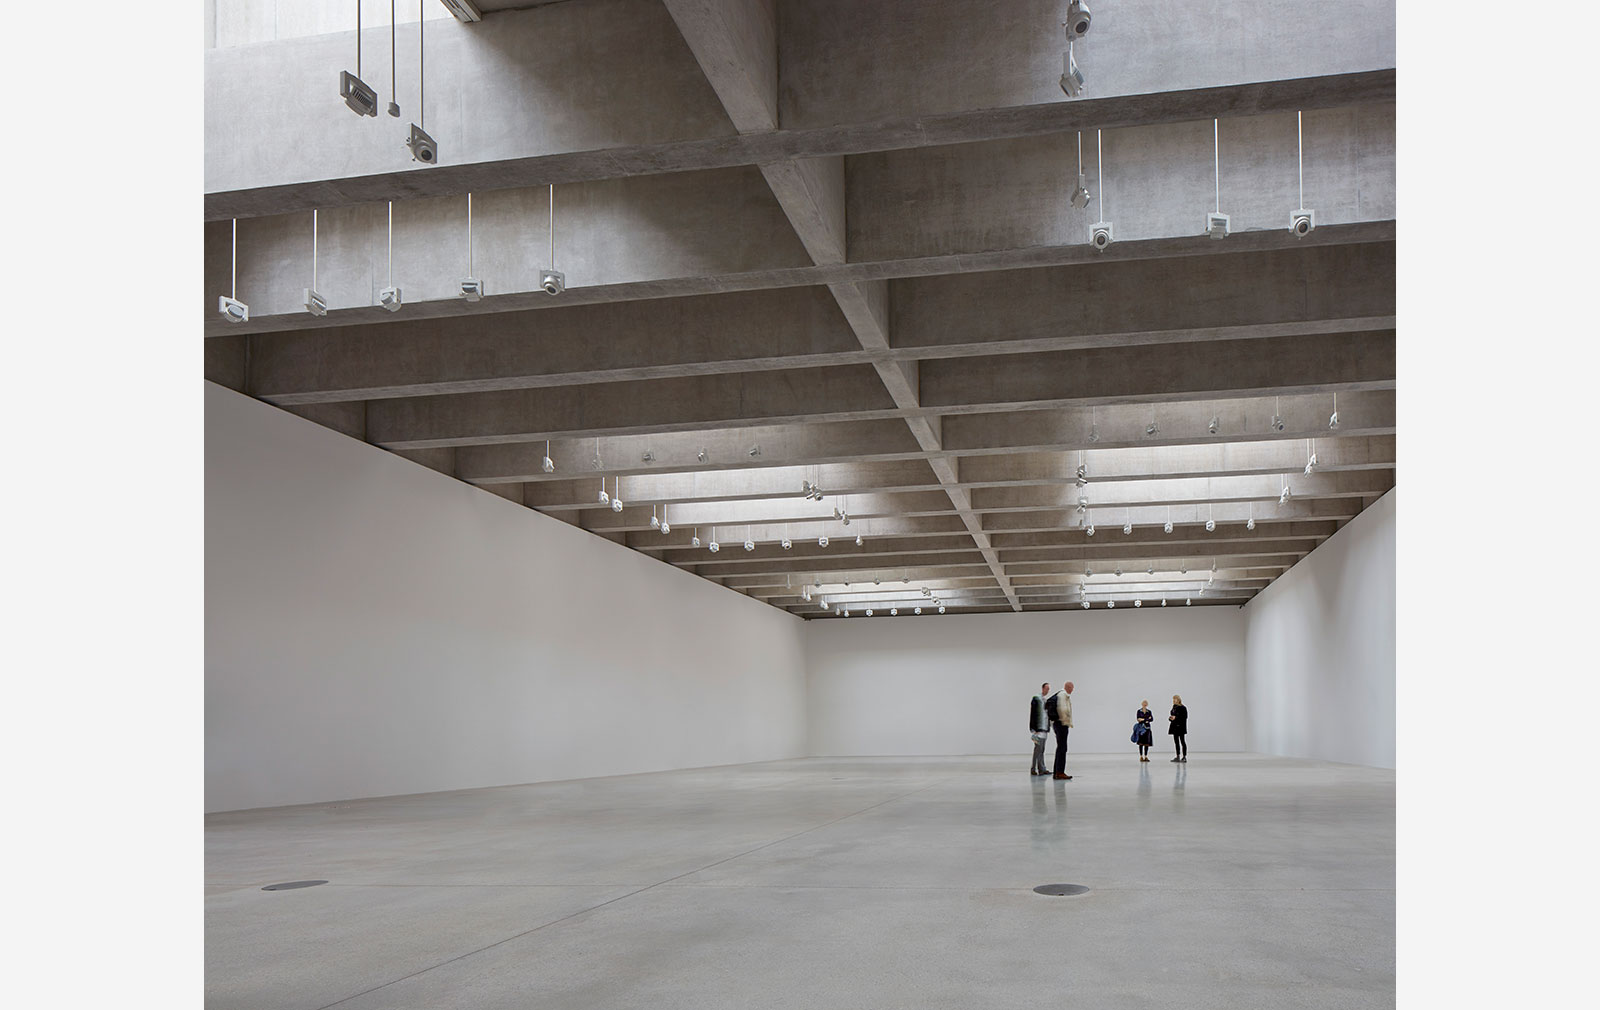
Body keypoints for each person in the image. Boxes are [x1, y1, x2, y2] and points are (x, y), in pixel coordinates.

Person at [1048, 682, 1075, 780]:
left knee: (1060, 748)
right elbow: (1063, 710)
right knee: (1062, 748)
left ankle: (1057, 772)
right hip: (1061, 724)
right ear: (1068, 687)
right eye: (1072, 687)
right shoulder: (1063, 695)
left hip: (1058, 724)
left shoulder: (1061, 694)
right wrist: (1065, 722)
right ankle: (1060, 772)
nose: (1073, 690)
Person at [1028, 682, 1052, 776]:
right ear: (1042, 688)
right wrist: (1034, 728)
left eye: (1048, 689)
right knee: (1037, 749)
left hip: (1044, 729)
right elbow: (1033, 714)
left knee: (1041, 750)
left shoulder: (1045, 700)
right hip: (1038, 730)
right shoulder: (1037, 699)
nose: (1047, 690)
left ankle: (1042, 768)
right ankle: (1033, 769)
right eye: (1046, 688)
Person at [1168, 694, 1188, 762]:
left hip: (1181, 727)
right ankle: (1178, 756)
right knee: (1176, 742)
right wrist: (1171, 718)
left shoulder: (1183, 707)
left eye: (1175, 699)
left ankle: (1184, 756)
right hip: (1175, 728)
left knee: (1182, 741)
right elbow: (1172, 716)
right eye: (1173, 699)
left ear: (1178, 700)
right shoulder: (1174, 707)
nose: (1174, 700)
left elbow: (1184, 717)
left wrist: (1175, 718)